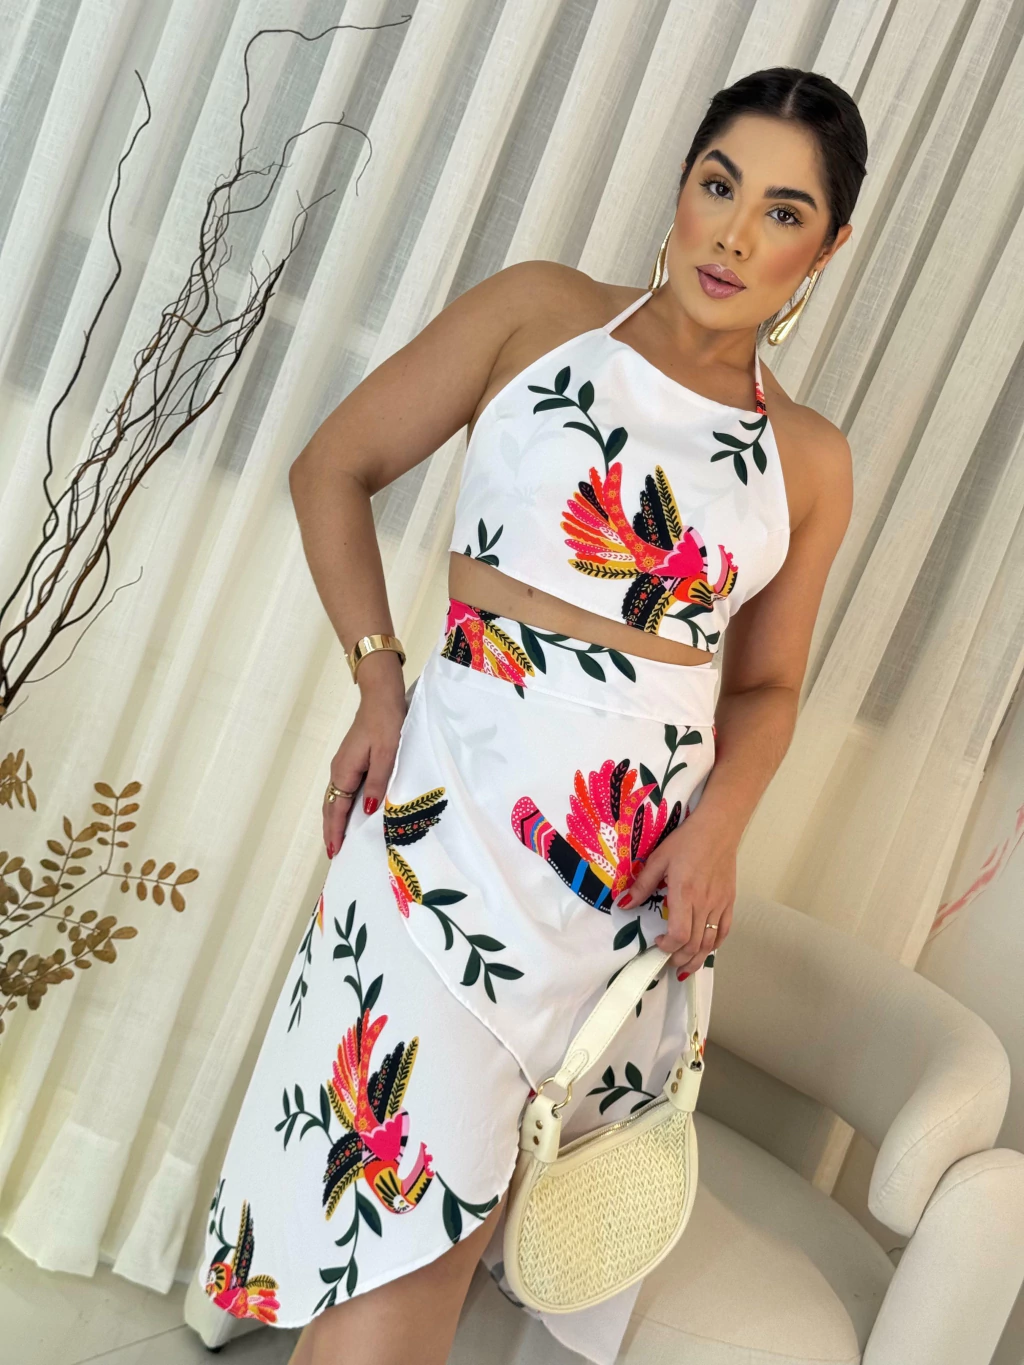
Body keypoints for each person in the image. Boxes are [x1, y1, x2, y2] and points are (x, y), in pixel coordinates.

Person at [197, 66, 865, 1365]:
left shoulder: (811, 459)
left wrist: (719, 830)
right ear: (683, 184)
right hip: (443, 823)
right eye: (719, 185)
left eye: (783, 213)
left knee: (440, 1252)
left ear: (826, 249)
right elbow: (333, 465)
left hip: (613, 882)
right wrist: (378, 678)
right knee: (393, 1225)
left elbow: (768, 686)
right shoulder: (539, 314)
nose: (734, 234)